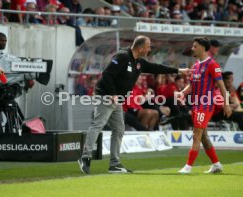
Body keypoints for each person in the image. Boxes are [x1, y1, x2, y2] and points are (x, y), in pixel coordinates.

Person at [78, 35, 191, 174]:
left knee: (119, 129)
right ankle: (85, 157)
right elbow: (106, 74)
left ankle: (114, 164)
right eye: (148, 47)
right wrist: (113, 94)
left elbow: (156, 68)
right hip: (106, 96)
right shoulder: (122, 57)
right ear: (140, 47)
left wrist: (178, 70)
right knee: (98, 124)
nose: (149, 49)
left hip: (117, 100)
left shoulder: (138, 62)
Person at [178, 37, 232, 174]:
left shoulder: (212, 65)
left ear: (202, 47)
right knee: (203, 136)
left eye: (195, 46)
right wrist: (182, 93)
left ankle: (188, 167)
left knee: (196, 135)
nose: (192, 48)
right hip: (196, 105)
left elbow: (221, 85)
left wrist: (226, 104)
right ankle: (216, 164)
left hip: (206, 105)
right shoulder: (196, 65)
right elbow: (191, 84)